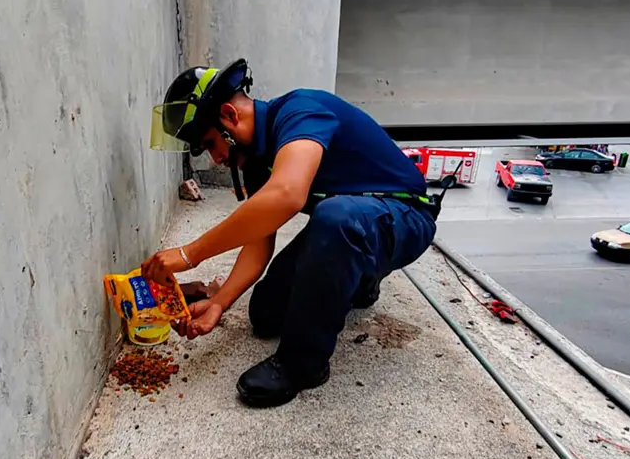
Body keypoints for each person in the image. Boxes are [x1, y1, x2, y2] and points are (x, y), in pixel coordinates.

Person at [142, 58, 437, 407]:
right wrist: (220, 303)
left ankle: (302, 365)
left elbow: (287, 195)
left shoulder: (301, 111)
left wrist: (191, 254)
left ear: (229, 116)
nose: (215, 159)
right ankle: (359, 281)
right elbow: (258, 238)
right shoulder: (255, 162)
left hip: (404, 216)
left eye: (209, 144)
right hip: (353, 225)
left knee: (335, 217)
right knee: (265, 314)